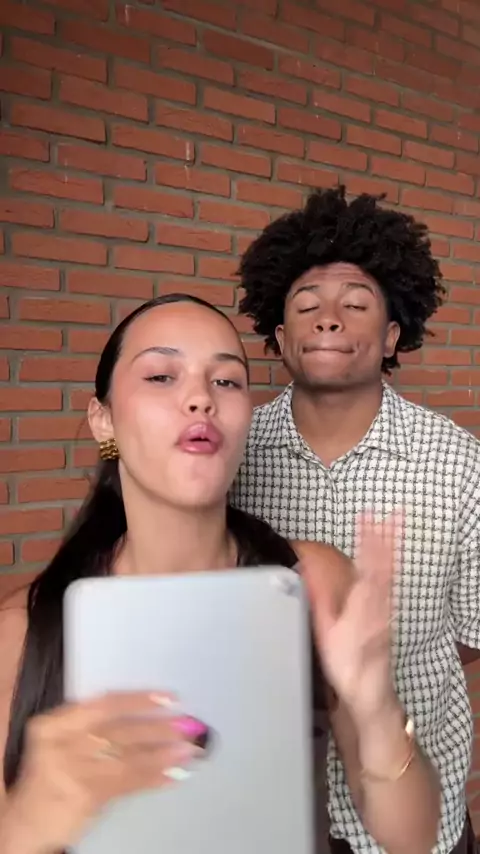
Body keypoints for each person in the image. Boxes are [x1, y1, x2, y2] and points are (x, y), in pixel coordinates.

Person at [0, 294, 438, 854]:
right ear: (103, 419)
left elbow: (413, 839)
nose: (201, 398)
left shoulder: (314, 583)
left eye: (227, 381)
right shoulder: (24, 629)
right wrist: (28, 823)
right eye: (161, 376)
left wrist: (376, 710)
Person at [231, 185, 480, 854]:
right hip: (271, 819)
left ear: (393, 333)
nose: (329, 320)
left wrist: (381, 674)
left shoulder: (461, 464)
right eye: (307, 305)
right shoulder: (230, 458)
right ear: (280, 336)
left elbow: (472, 635)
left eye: (356, 304)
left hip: (416, 818)